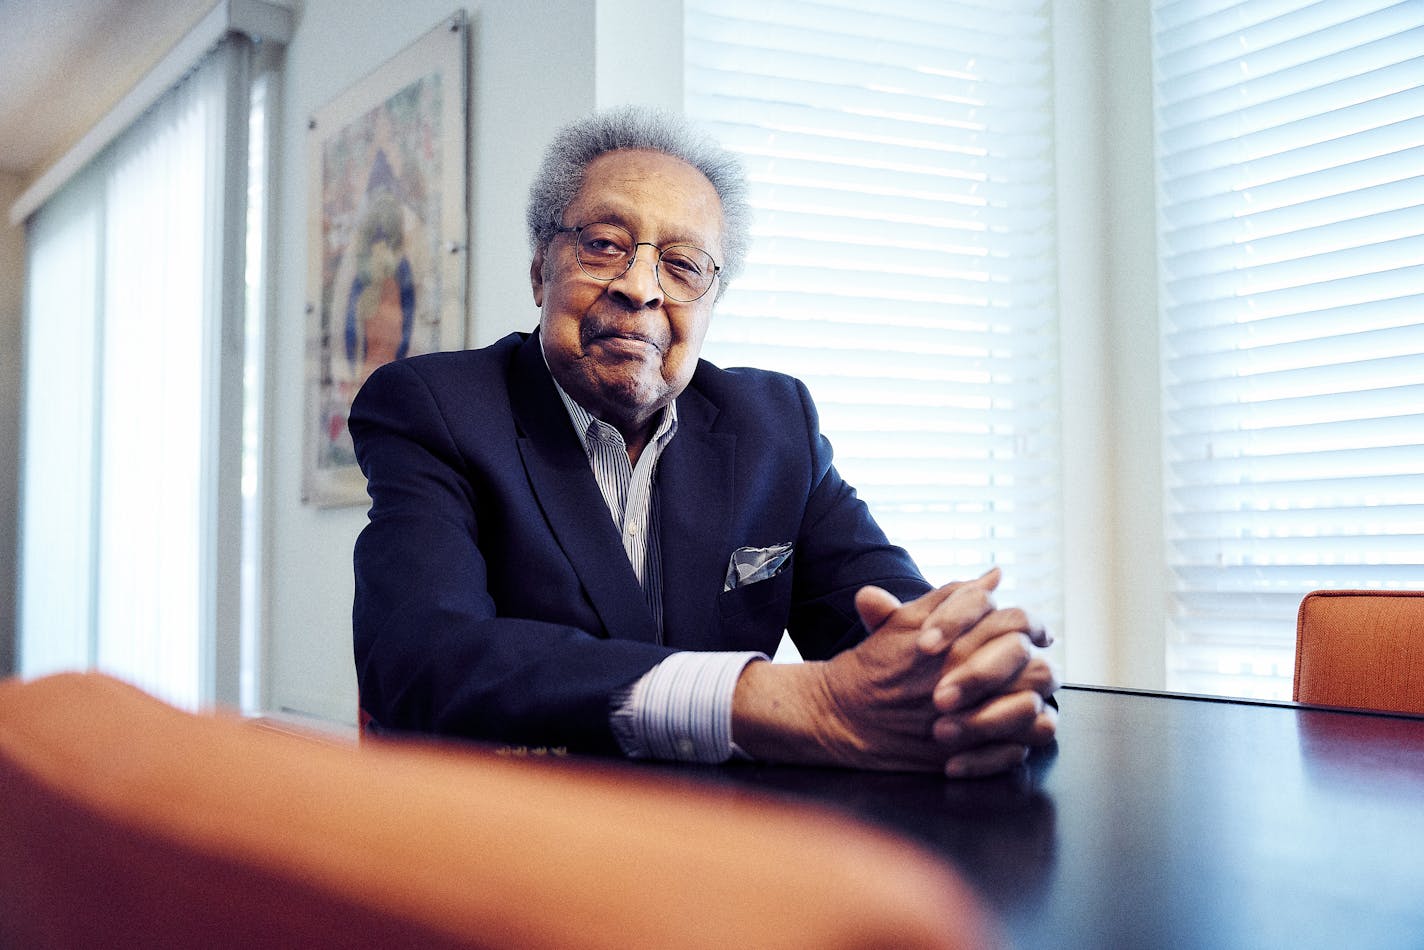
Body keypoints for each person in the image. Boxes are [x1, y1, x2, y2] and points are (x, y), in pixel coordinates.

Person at [350, 106, 1057, 777]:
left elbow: (893, 632)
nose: (640, 288)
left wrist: (973, 674)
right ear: (541, 269)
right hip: (514, 846)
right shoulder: (435, 407)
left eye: (683, 266)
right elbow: (422, 660)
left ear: (712, 301)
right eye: (603, 246)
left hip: (728, 846)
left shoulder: (774, 425)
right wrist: (785, 702)